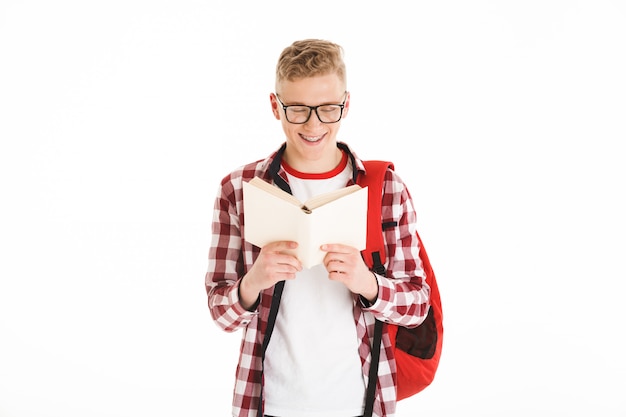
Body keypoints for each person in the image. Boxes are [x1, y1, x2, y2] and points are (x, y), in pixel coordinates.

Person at [205, 39, 431, 417]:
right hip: (268, 403)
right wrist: (253, 281)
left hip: (359, 403)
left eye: (328, 109)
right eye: (297, 110)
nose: (314, 125)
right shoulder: (239, 189)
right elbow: (220, 313)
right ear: (275, 106)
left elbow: (418, 305)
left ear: (346, 104)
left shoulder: (385, 188)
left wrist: (368, 283)